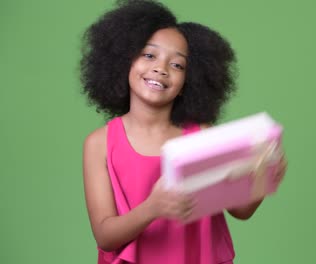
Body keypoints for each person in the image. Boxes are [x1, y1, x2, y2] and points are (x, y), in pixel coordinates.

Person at [80, 1, 287, 263]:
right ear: (124, 61)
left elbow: (240, 210)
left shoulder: (201, 136)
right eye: (149, 55)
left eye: (177, 65)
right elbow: (104, 236)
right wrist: (152, 208)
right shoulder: (100, 143)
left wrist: (263, 178)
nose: (161, 69)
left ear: (188, 82)